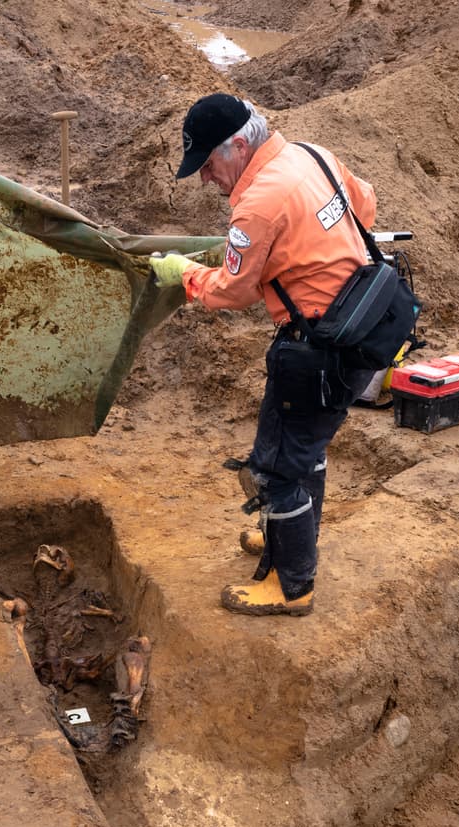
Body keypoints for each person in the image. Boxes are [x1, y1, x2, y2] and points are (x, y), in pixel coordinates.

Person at [150, 93, 378, 616]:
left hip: (315, 350)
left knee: (277, 468)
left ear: (237, 144)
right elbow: (363, 206)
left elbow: (232, 291)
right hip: (361, 331)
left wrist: (183, 274)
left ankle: (292, 586)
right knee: (307, 451)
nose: (205, 178)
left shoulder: (257, 205)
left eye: (207, 164)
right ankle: (290, 538)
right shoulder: (311, 154)